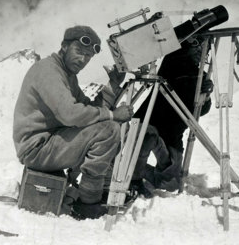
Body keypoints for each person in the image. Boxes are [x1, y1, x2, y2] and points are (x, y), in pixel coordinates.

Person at [13, 25, 134, 219]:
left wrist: (112, 85)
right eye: (79, 51)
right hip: (37, 149)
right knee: (109, 129)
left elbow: (87, 109)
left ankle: (96, 189)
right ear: (64, 47)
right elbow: (70, 114)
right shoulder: (48, 70)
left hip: (50, 143)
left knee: (107, 127)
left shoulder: (68, 76)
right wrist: (112, 115)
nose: (83, 59)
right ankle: (88, 203)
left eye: (88, 56)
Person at [131, 36, 213, 196]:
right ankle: (134, 179)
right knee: (146, 138)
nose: (200, 52)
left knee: (171, 184)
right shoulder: (172, 63)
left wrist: (206, 95)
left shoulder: (200, 76)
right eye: (196, 46)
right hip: (150, 124)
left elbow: (200, 111)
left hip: (172, 135)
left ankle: (129, 166)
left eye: (204, 50)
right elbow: (177, 44)